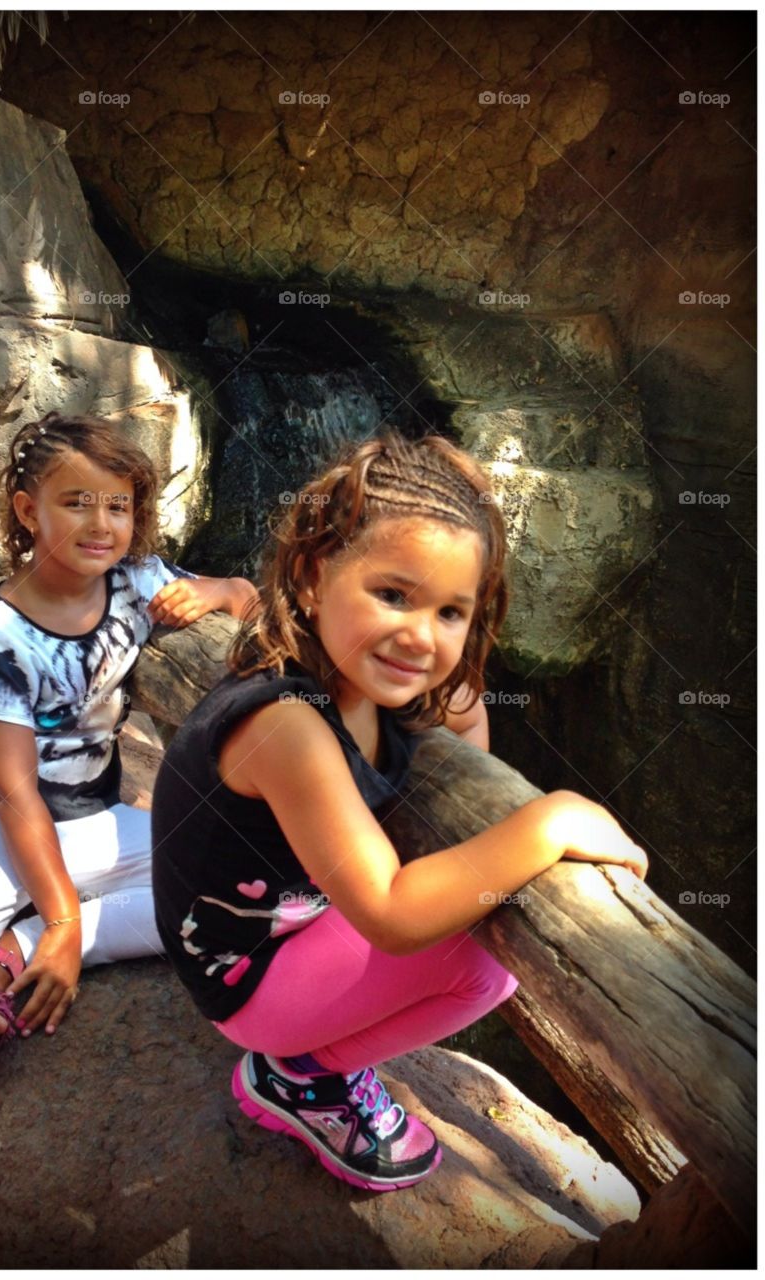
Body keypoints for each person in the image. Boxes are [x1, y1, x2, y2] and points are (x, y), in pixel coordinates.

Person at [152, 432, 649, 1193]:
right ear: (316, 577)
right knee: (485, 958)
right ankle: (300, 1078)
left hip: (288, 923)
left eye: (452, 611)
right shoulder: (288, 727)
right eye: (393, 595)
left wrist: (454, 683)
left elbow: (466, 726)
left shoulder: (348, 672)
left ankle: (305, 1061)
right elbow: (389, 912)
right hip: (245, 983)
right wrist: (548, 820)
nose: (420, 635)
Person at [0, 411, 257, 1264]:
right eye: (75, 502)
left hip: (89, 826)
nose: (100, 524)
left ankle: (17, 949)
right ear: (26, 509)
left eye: (117, 506)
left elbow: (245, 595)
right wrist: (74, 924)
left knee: (250, 890)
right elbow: (10, 791)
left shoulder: (135, 583)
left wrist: (216, 594)